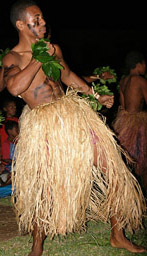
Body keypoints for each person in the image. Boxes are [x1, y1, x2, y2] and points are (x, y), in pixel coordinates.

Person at [2, 1, 146, 255]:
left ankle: (117, 234)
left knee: (114, 170)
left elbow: (67, 76)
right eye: (37, 19)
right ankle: (37, 246)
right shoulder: (12, 58)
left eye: (43, 18)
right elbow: (14, 88)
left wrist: (95, 95)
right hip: (43, 124)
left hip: (73, 116)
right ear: (21, 25)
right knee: (43, 187)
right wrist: (37, 58)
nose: (44, 23)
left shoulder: (54, 49)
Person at [112, 51, 147, 197]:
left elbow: (123, 103)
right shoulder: (140, 80)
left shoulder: (124, 80)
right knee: (143, 162)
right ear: (139, 64)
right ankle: (143, 196)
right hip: (137, 123)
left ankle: (129, 194)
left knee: (128, 159)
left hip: (124, 121)